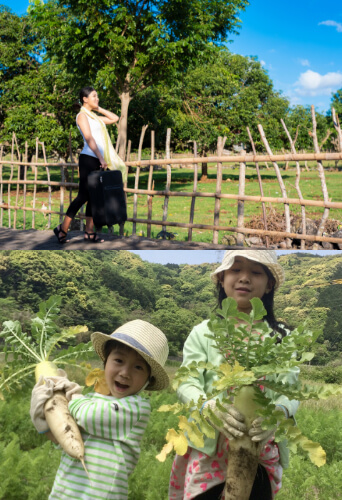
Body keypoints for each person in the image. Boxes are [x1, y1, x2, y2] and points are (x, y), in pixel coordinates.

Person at [169, 250, 300, 500]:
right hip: (209, 449)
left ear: (269, 283)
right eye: (236, 269)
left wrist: (279, 412)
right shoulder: (202, 332)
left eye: (255, 272)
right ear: (221, 278)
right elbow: (187, 381)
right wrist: (208, 406)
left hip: (258, 448)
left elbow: (291, 389)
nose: (244, 278)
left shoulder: (282, 336)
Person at [30, 319, 169, 499]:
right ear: (105, 363)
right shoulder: (89, 400)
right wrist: (43, 416)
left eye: (138, 367)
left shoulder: (136, 409)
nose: (125, 372)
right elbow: (64, 437)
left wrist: (69, 392)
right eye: (118, 360)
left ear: (148, 381)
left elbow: (88, 417)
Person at [54, 86, 126, 244]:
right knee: (83, 196)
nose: (97, 98)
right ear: (84, 99)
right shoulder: (81, 116)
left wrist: (98, 108)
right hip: (89, 159)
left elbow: (114, 118)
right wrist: (100, 157)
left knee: (94, 197)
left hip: (98, 159)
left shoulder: (95, 117)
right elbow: (89, 138)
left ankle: (89, 232)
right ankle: (62, 229)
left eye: (97, 96)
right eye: (94, 96)